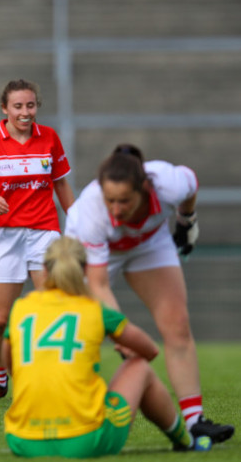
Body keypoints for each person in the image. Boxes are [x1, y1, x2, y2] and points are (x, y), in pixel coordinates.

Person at [64, 144, 234, 443]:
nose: (116, 209)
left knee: (178, 324)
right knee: (81, 332)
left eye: (125, 201)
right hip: (95, 256)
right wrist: (122, 334)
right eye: (110, 201)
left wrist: (186, 220)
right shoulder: (91, 210)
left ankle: (195, 421)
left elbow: (191, 185)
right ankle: (70, 413)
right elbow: (99, 284)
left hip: (148, 244)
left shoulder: (168, 182)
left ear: (144, 188)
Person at [2, 236, 213, 458]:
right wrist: (125, 348)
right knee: (139, 367)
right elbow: (150, 351)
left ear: (44, 269)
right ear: (84, 270)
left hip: (22, 440)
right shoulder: (95, 309)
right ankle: (187, 440)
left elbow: (11, 366)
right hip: (84, 440)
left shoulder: (21, 308)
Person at [0, 79, 74, 400]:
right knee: (2, 319)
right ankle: (0, 380)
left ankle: (48, 377)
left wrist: (80, 224)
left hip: (44, 232)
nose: (25, 112)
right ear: (5, 109)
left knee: (50, 309)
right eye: (18, 106)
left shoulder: (49, 138)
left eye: (30, 105)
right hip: (5, 235)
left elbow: (62, 186)